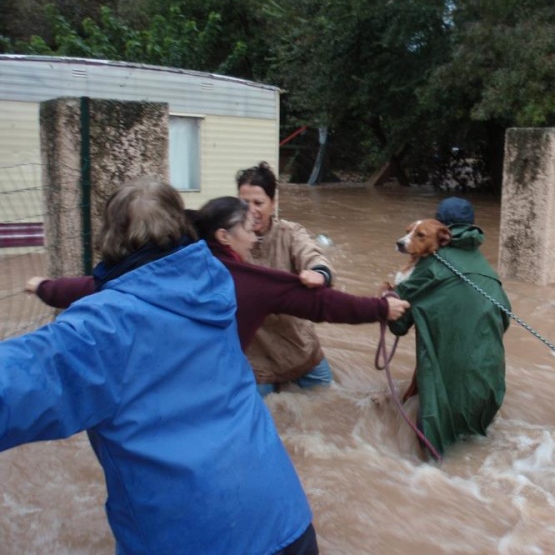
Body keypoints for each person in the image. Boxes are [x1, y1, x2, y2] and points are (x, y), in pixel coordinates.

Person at [2, 178, 318, 553]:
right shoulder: (216, 285)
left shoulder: (101, 329)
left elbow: (17, 383)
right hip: (288, 522)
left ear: (109, 237)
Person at [28, 196, 410, 356]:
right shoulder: (251, 280)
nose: (256, 232)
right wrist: (381, 308)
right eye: (248, 224)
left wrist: (44, 287)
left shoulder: (161, 266)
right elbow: (325, 305)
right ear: (224, 235)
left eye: (260, 208)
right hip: (223, 391)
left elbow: (93, 287)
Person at [387, 210, 511, 458]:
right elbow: (504, 317)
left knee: (432, 459)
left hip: (445, 391)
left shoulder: (430, 268)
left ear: (444, 234)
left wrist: (387, 296)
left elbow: (398, 324)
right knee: (478, 451)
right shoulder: (486, 267)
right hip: (491, 383)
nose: (408, 238)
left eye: (420, 235)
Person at [237, 161, 335, 396]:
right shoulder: (229, 237)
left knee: (330, 400)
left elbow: (312, 254)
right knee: (263, 416)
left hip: (298, 347)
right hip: (255, 355)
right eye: (244, 203)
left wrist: (319, 273)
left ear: (273, 203)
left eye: (259, 203)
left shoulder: (291, 233)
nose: (251, 211)